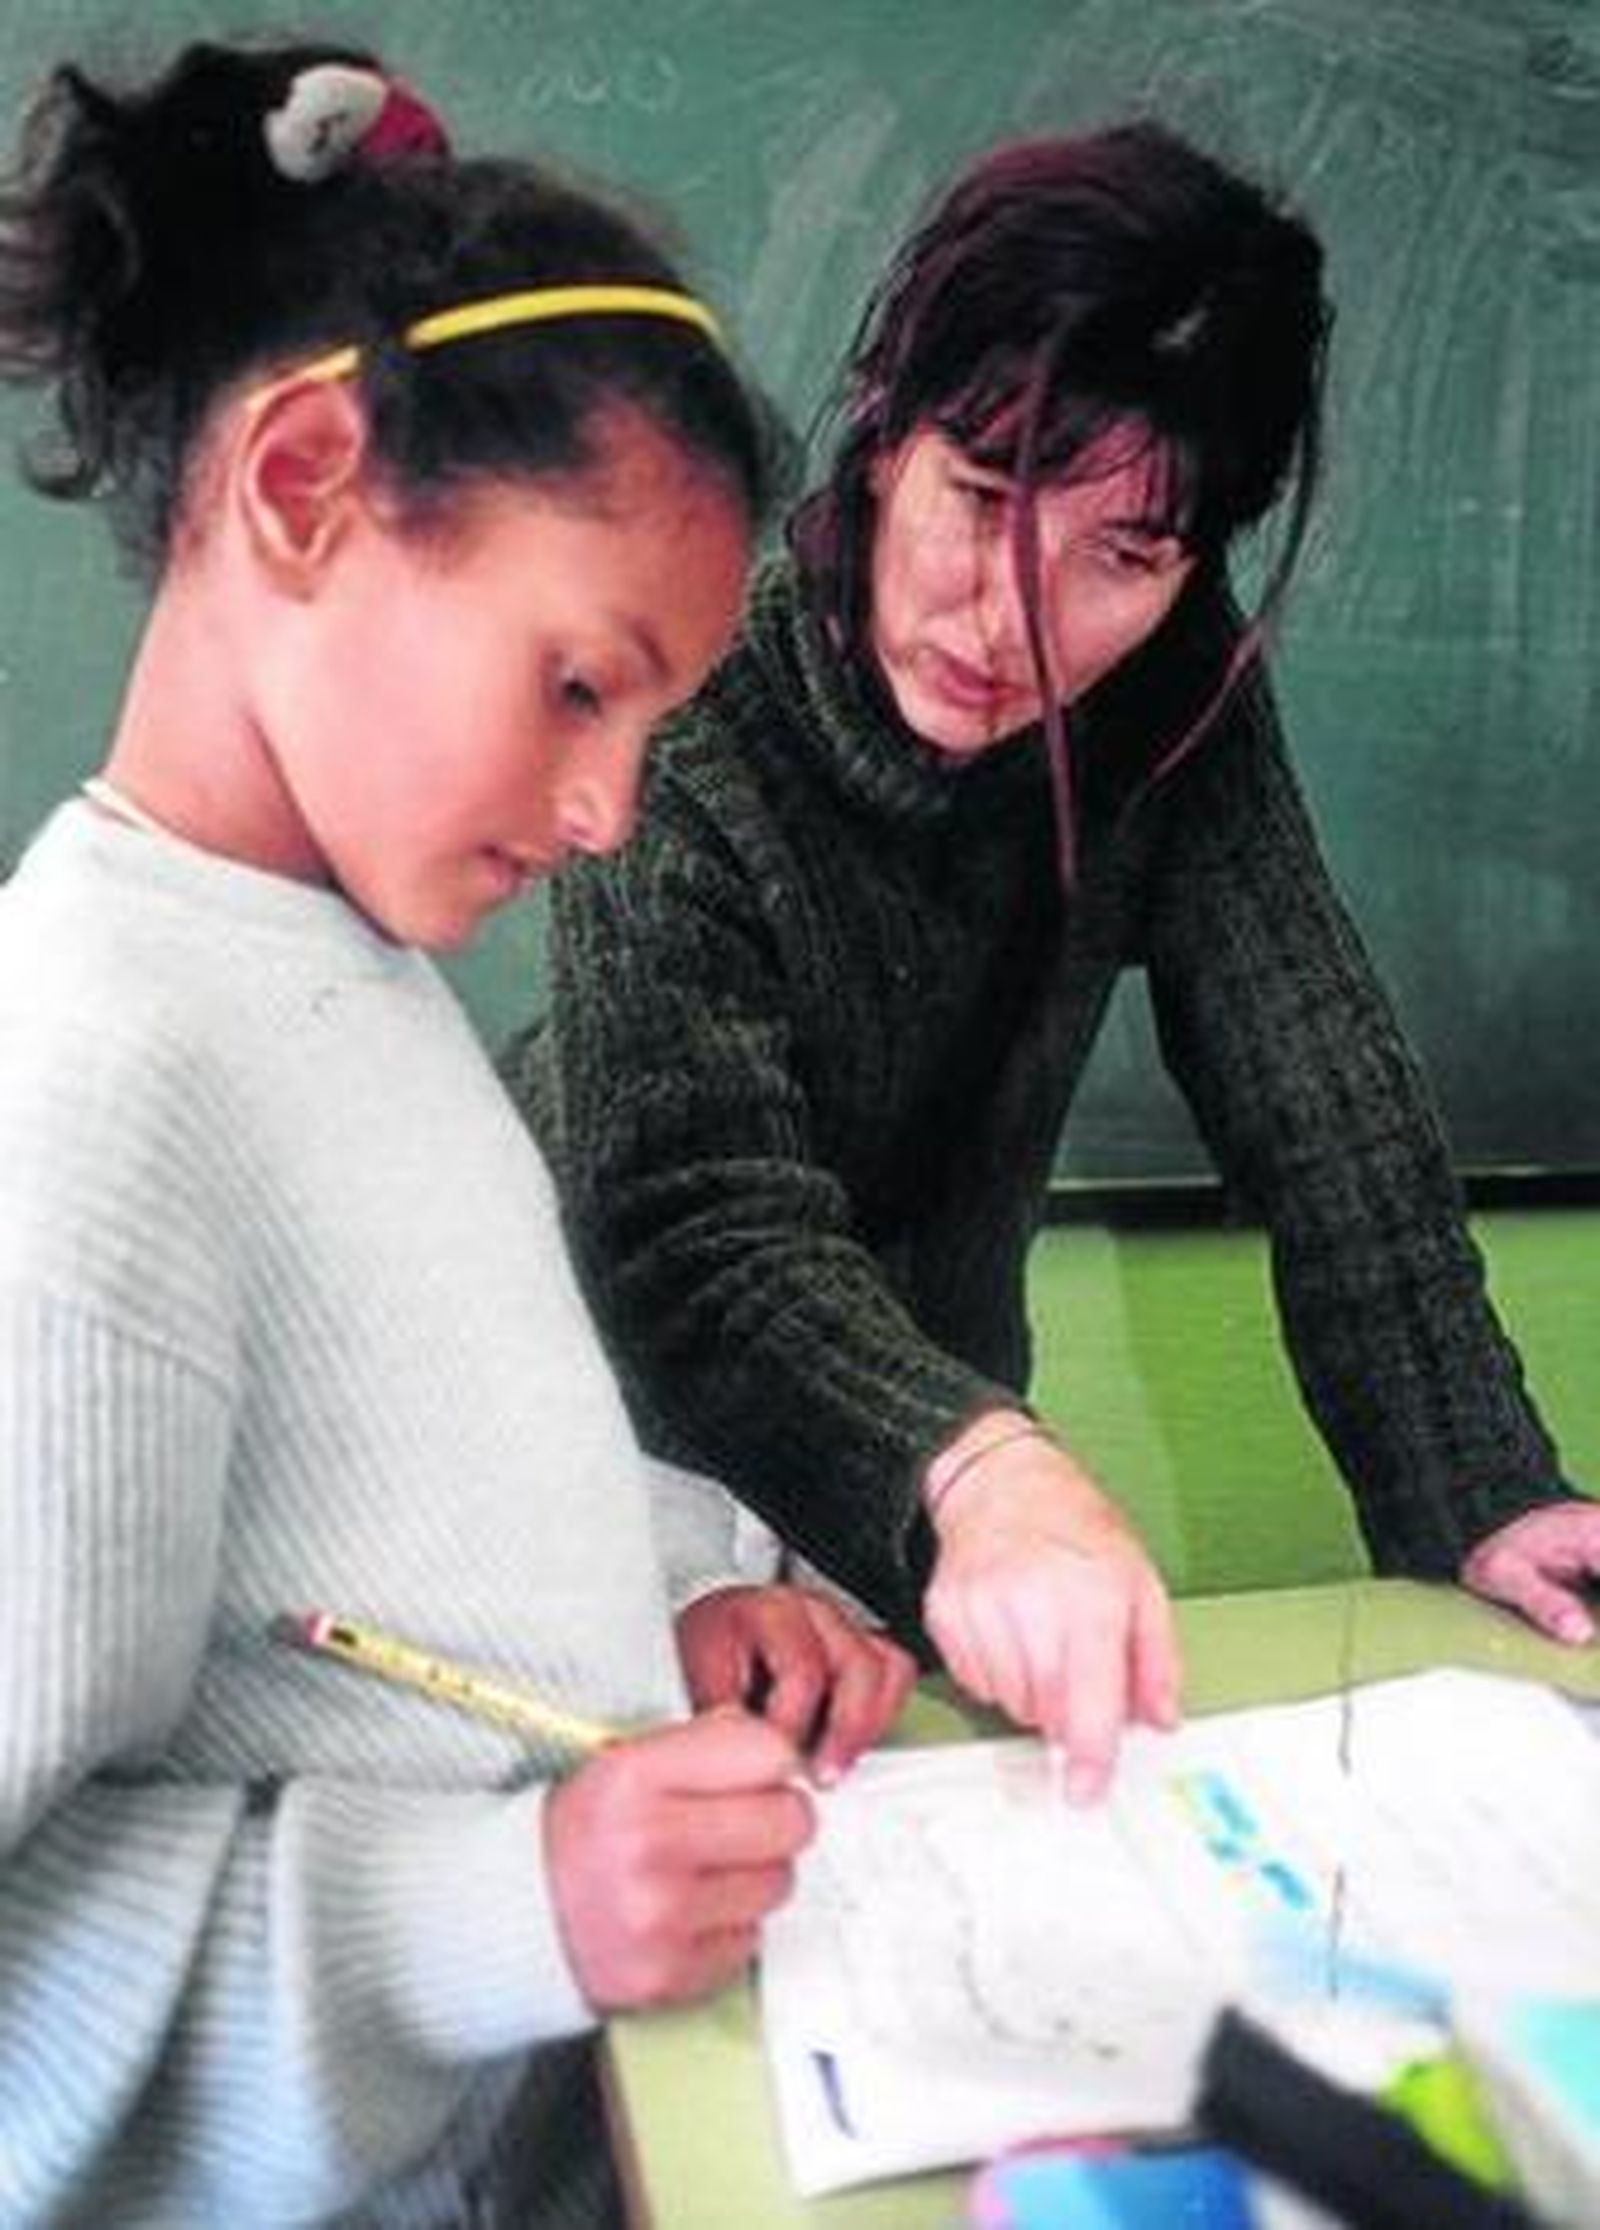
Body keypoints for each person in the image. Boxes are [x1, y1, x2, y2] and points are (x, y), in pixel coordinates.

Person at [0, 38, 915, 2230]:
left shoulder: (338, 970)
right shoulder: (91, 1101)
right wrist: (505, 1899)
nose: (607, 815)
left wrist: (680, 1578)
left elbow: (386, 1497)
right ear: (305, 483)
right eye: (577, 683)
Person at [509, 122, 1600, 1805]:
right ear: (887, 430)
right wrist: (985, 1466)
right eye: (990, 499)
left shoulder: (1174, 703)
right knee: (630, 1970)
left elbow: (1327, 1109)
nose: (1013, 615)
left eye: (1128, 557)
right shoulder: (697, 679)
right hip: (595, 1449)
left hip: (922, 1468)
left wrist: (1488, 1492)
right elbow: (692, 1222)